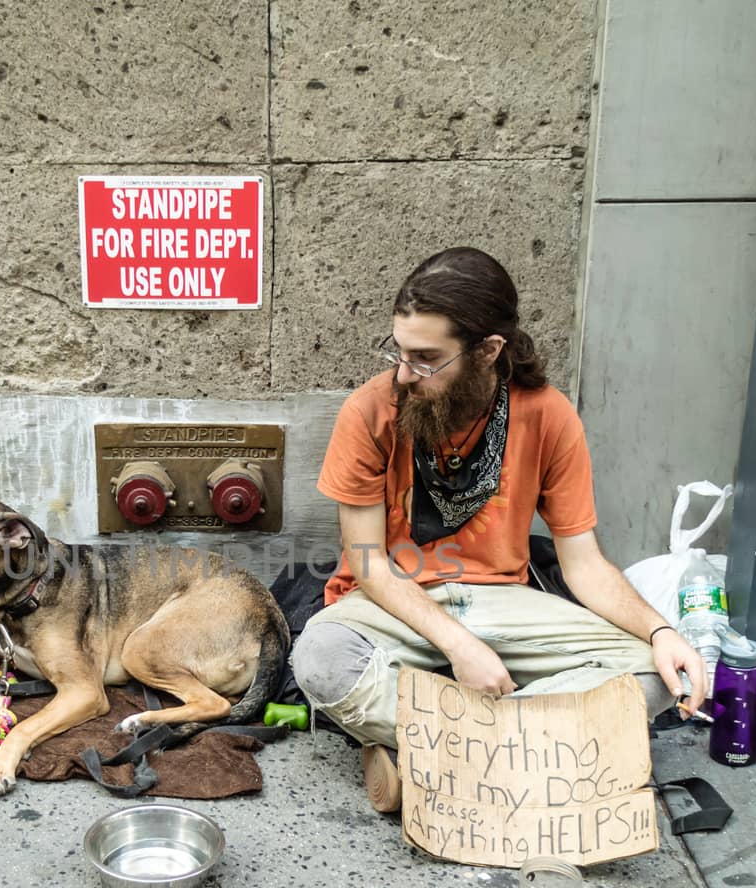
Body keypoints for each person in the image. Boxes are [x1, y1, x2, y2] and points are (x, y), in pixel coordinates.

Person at [290, 247, 708, 814]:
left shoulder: (549, 415)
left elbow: (583, 563)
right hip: (391, 604)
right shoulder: (370, 411)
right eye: (399, 352)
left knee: (655, 676)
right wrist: (459, 646)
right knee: (318, 656)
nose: (404, 374)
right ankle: (525, 754)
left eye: (426, 359)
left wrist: (662, 633)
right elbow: (368, 563)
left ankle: (426, 752)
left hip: (501, 602)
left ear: (488, 351)